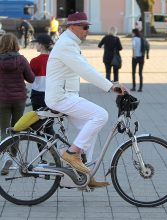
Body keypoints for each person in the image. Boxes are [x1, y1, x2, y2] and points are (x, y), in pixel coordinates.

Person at [45, 12, 125, 187]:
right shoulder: (66, 44)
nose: (87, 30)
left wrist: (110, 82)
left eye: (88, 27)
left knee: (89, 132)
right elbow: (85, 71)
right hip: (61, 97)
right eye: (84, 27)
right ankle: (71, 154)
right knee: (100, 115)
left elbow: (87, 67)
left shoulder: (71, 43)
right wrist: (110, 86)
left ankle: (84, 176)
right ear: (72, 27)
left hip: (67, 95)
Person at [0, 33, 34, 175]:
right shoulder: (21, 60)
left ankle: (5, 156)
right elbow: (31, 78)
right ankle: (14, 158)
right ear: (15, 44)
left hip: (2, 99)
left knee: (4, 129)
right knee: (16, 128)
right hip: (19, 99)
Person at [30, 34, 55, 157]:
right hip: (52, 96)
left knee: (39, 127)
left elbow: (30, 78)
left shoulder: (35, 61)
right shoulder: (54, 60)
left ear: (41, 45)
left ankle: (42, 157)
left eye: (36, 43)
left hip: (38, 96)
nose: (35, 45)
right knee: (49, 126)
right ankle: (54, 154)